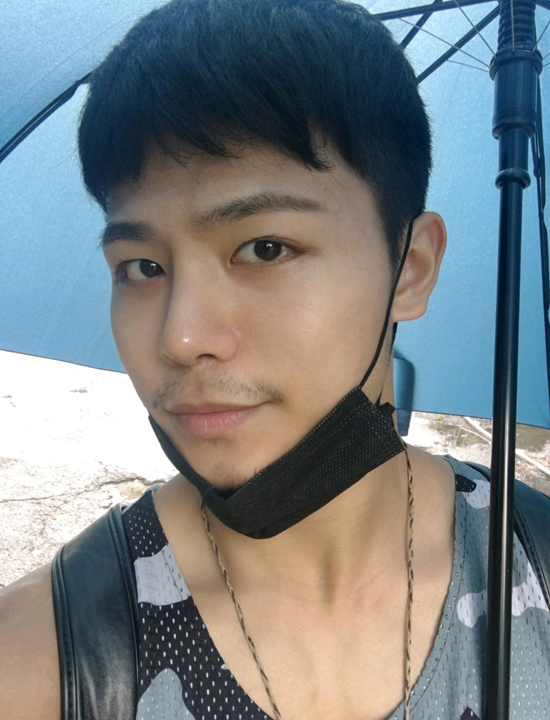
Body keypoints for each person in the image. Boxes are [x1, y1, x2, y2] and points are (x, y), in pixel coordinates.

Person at [1, 1, 549, 719]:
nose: (180, 339)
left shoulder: (535, 570)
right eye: (141, 266)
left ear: (410, 268)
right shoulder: (44, 661)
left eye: (264, 249)